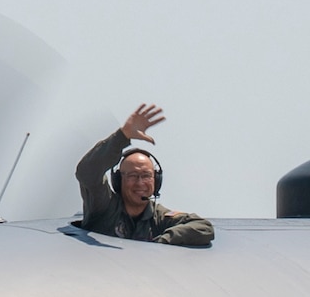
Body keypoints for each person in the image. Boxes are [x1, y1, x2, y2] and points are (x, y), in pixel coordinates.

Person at [75, 103, 214, 246]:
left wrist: (163, 241)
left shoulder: (158, 217)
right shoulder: (104, 205)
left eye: (146, 175)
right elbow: (87, 171)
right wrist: (122, 136)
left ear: (156, 180)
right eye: (133, 175)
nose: (140, 183)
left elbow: (203, 227)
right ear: (118, 180)